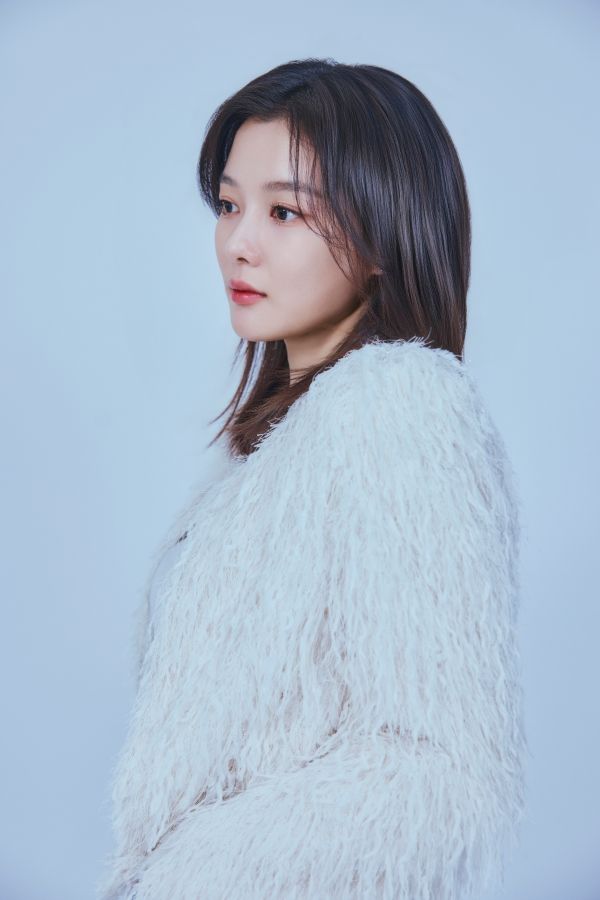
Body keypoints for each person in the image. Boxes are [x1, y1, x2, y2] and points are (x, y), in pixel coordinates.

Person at [96, 58, 528, 899]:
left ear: (382, 237)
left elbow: (437, 771)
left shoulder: (398, 406)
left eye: (285, 211)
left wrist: (182, 881)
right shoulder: (282, 451)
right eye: (229, 204)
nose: (238, 242)